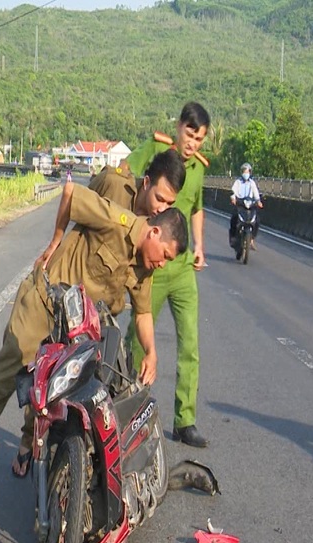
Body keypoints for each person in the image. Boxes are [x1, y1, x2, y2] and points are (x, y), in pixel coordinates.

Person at [0, 151, 188, 484]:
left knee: (83, 394)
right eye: (159, 198)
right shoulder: (118, 209)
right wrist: (55, 241)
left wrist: (153, 352)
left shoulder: (146, 264)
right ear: (155, 233)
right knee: (14, 363)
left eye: (167, 203)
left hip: (82, 329)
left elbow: (142, 311)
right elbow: (72, 195)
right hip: (48, 301)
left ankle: (53, 463)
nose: (160, 207)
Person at [124, 102, 211, 448]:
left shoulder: (201, 170)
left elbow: (197, 209)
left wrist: (200, 245)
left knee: (190, 343)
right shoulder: (157, 150)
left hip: (182, 271)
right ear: (178, 127)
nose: (192, 143)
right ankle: (128, 407)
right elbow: (125, 176)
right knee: (137, 339)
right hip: (153, 266)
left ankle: (185, 420)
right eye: (189, 134)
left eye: (200, 138)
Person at [229, 162, 263, 253]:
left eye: (247, 172)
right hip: (240, 204)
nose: (246, 173)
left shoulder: (252, 183)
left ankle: (251, 239)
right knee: (234, 218)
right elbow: (233, 192)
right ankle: (233, 237)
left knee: (257, 220)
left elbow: (256, 193)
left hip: (250, 205)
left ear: (250, 172)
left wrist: (258, 201)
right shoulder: (238, 182)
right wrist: (233, 198)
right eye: (244, 171)